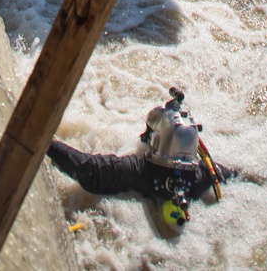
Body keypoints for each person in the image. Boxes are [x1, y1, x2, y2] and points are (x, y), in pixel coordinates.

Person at [47, 88, 242, 229]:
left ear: (156, 141)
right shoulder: (201, 176)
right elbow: (234, 176)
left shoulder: (140, 171)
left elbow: (89, 170)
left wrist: (47, 145)